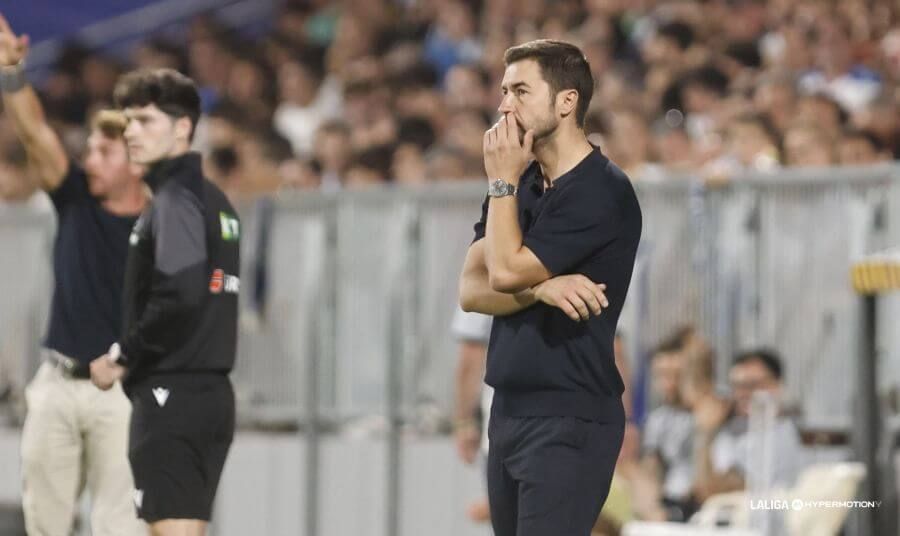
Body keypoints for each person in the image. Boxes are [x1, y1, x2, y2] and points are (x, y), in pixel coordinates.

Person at [458, 39, 642, 536]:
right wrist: (540, 290)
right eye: (502, 92)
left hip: (570, 414)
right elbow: (471, 291)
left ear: (566, 101)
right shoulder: (522, 181)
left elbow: (504, 272)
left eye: (519, 90)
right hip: (510, 409)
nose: (503, 106)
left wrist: (501, 187)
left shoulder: (600, 189)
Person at [0, 12, 148, 536]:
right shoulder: (75, 200)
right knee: (44, 524)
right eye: (88, 149)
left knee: (120, 527)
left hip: (125, 393)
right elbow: (35, 132)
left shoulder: (162, 226)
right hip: (59, 380)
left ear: (136, 162)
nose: (88, 160)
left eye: (103, 152)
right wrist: (12, 74)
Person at [89, 68, 240, 536]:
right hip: (204, 395)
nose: (131, 131)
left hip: (171, 393)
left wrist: (122, 353)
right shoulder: (213, 199)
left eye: (146, 121)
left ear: (183, 129)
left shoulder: (175, 201)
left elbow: (180, 292)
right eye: (129, 120)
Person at [692, 349, 804, 503]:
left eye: (752, 385)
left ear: (776, 385)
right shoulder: (729, 429)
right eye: (737, 386)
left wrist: (705, 434)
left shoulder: (780, 432)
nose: (742, 393)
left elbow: (716, 491)